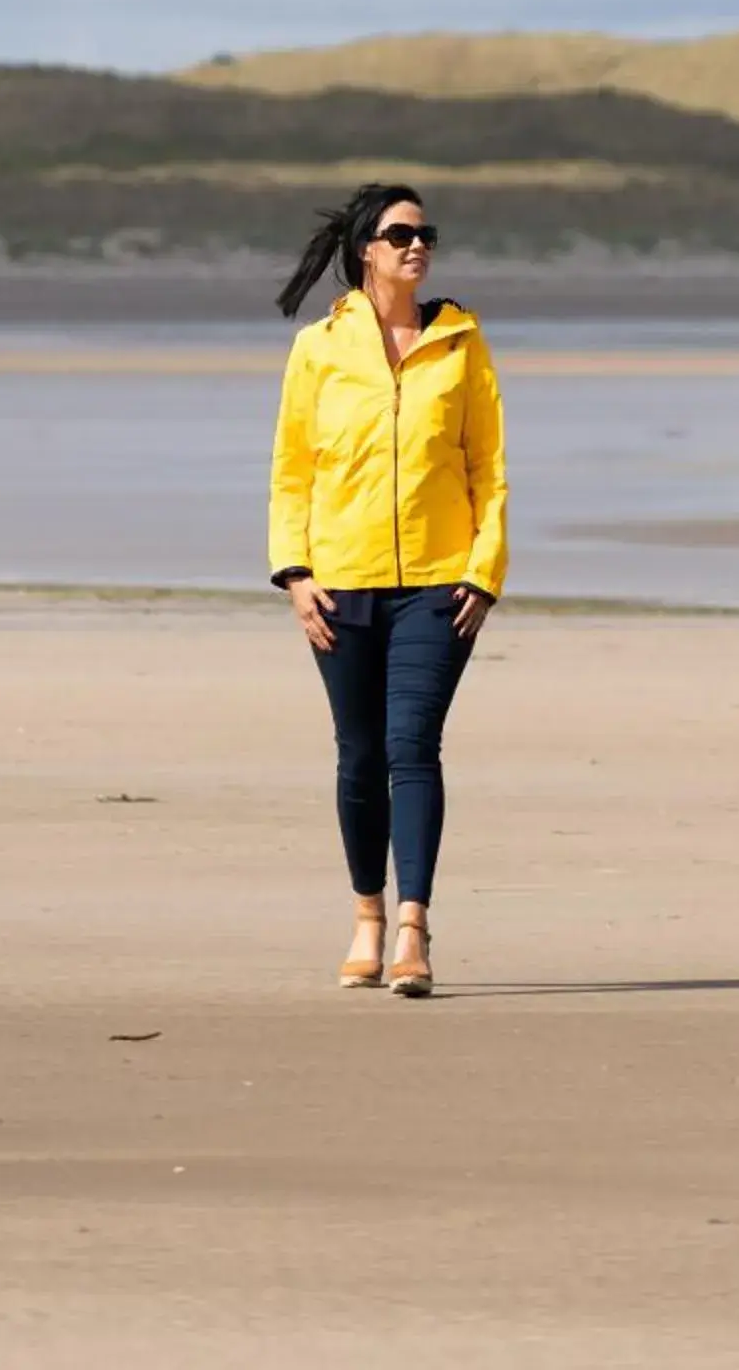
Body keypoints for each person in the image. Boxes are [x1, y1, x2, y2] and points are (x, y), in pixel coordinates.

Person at [267, 184, 508, 997]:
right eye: (401, 234)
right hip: (340, 582)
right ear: (367, 248)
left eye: (426, 234)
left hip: (440, 586)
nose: (418, 246)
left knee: (413, 747)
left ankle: (412, 925)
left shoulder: (462, 343)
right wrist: (295, 573)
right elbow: (292, 471)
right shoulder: (318, 350)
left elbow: (490, 469)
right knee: (359, 755)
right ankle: (366, 914)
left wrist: (485, 570)